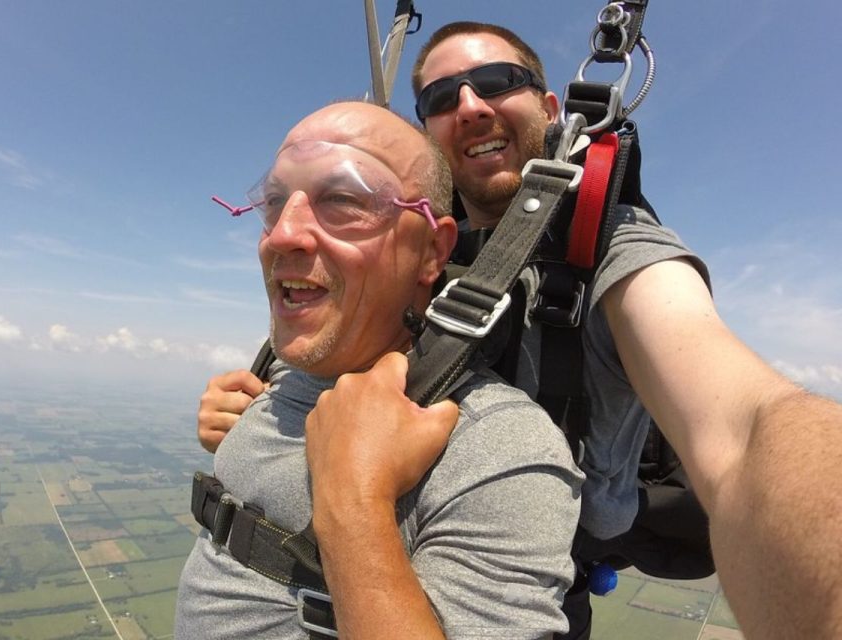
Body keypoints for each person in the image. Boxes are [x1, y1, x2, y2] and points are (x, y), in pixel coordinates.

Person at [198, 22, 842, 640]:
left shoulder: (612, 246)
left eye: (499, 80)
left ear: (552, 105)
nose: (472, 106)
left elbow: (744, 427)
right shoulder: (396, 232)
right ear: (428, 135)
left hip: (531, 582)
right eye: (442, 98)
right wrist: (260, 411)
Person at [176, 100, 585, 639]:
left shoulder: (499, 446)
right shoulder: (279, 376)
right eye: (275, 203)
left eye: (342, 200)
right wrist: (239, 431)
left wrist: (354, 502)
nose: (281, 235)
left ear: (432, 252)